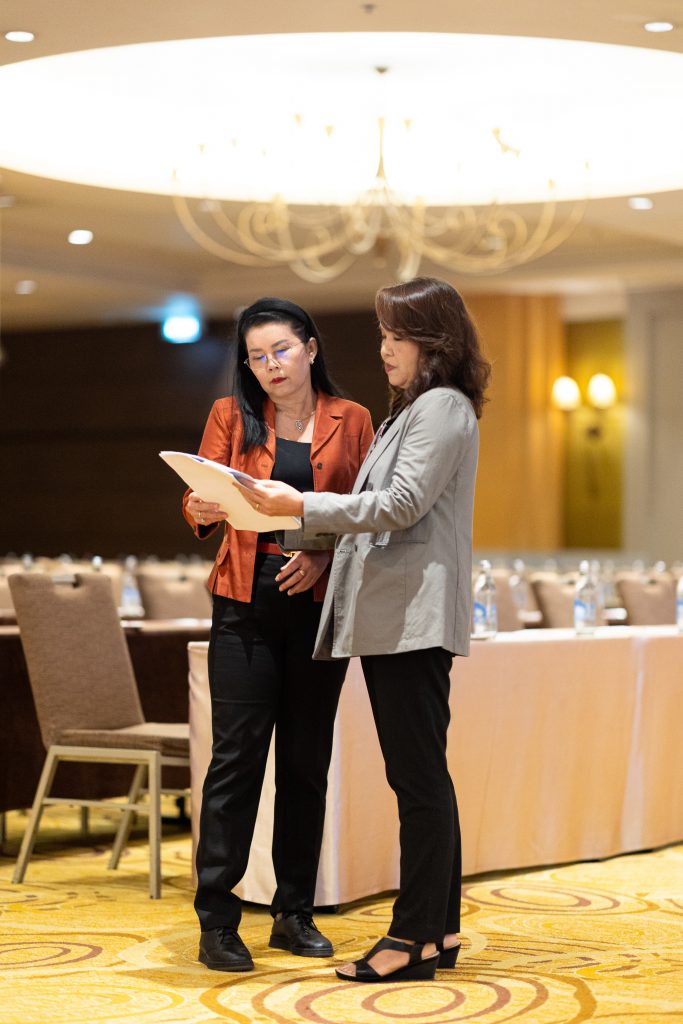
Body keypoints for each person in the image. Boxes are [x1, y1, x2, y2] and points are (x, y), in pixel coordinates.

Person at [235, 277, 490, 984]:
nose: (383, 349)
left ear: (433, 341)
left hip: (410, 618)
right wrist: (294, 516)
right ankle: (436, 932)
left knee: (418, 780)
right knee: (421, 777)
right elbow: (376, 504)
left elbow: (400, 505)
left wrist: (299, 505)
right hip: (395, 617)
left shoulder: (440, 406)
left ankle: (412, 937)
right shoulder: (416, 409)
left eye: (396, 336)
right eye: (382, 335)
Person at [183, 297, 374, 972]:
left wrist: (322, 552)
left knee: (303, 763)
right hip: (244, 601)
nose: (270, 366)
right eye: (257, 356)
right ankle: (217, 918)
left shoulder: (353, 420)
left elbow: (364, 513)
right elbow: (197, 498)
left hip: (317, 604)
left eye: (281, 351)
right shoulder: (230, 415)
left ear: (311, 349)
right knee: (235, 762)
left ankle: (294, 912)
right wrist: (199, 504)